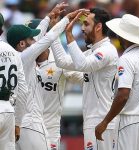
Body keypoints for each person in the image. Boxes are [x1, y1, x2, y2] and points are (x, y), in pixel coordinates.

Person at [6, 3, 82, 150]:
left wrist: (48, 17)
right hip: (32, 122)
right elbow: (48, 38)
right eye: (31, 38)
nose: (35, 41)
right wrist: (66, 19)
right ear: (22, 43)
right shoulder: (26, 57)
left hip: (26, 122)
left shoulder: (16, 56)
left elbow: (42, 37)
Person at [50, 7, 118, 150]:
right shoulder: (94, 51)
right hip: (94, 119)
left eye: (86, 24)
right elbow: (62, 61)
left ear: (98, 27)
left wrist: (69, 35)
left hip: (101, 120)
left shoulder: (107, 51)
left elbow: (82, 64)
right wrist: (55, 30)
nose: (82, 28)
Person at [95, 14, 139, 150]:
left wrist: (105, 122)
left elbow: (123, 95)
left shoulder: (127, 58)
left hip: (129, 120)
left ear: (123, 37)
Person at [27, 18, 83, 150]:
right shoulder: (22, 60)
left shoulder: (60, 61)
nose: (28, 42)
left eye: (30, 37)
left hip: (50, 128)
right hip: (26, 126)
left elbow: (83, 78)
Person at [0, 13, 28, 150]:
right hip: (8, 111)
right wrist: (17, 123)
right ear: (1, 30)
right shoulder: (13, 52)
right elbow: (23, 91)